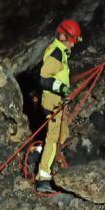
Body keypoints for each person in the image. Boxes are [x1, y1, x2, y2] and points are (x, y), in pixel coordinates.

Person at [35, 19, 83, 193]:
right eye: (72, 40)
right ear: (64, 36)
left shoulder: (61, 51)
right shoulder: (56, 53)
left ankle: (55, 162)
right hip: (52, 102)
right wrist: (62, 88)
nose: (73, 44)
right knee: (53, 138)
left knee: (63, 133)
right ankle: (43, 177)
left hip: (57, 101)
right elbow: (43, 78)